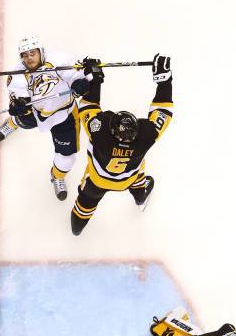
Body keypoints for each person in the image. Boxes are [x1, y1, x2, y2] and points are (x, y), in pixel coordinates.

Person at [70, 53, 174, 235]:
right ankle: (140, 199)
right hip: (129, 179)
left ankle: (76, 230)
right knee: (138, 181)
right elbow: (163, 110)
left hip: (97, 182)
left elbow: (88, 106)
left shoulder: (99, 133)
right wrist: (164, 80)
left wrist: (95, 79)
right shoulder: (146, 136)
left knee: (85, 203)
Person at [0, 35, 89, 200]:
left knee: (67, 158)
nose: (29, 58)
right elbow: (17, 96)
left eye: (32, 53)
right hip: (37, 113)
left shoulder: (59, 59)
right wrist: (19, 105)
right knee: (21, 118)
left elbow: (76, 75)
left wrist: (79, 83)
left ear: (41, 51)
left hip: (65, 115)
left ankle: (57, 176)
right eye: (25, 55)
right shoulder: (16, 75)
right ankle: (12, 123)